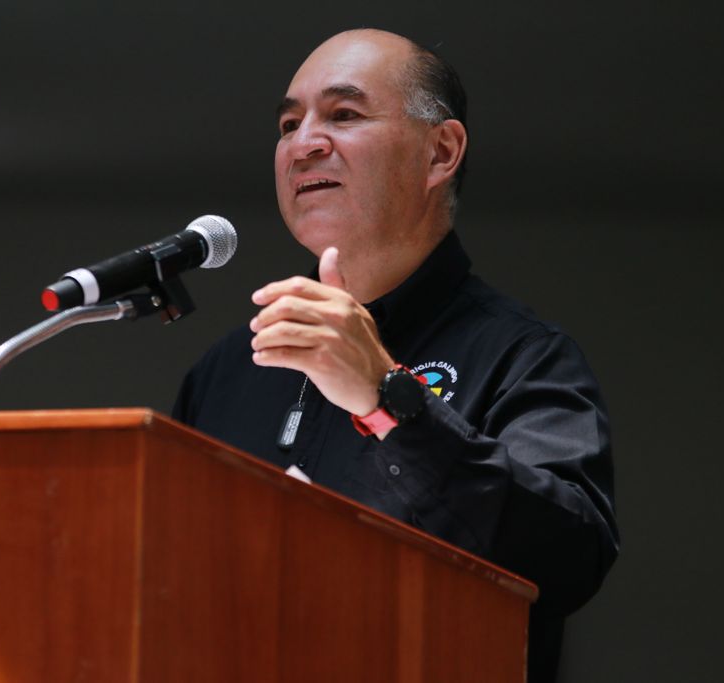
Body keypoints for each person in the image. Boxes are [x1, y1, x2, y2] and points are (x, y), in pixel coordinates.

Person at [173, 28, 618, 682]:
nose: (303, 143)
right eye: (289, 124)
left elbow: (569, 560)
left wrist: (387, 396)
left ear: (441, 152)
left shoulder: (524, 355)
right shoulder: (231, 367)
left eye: (344, 114)